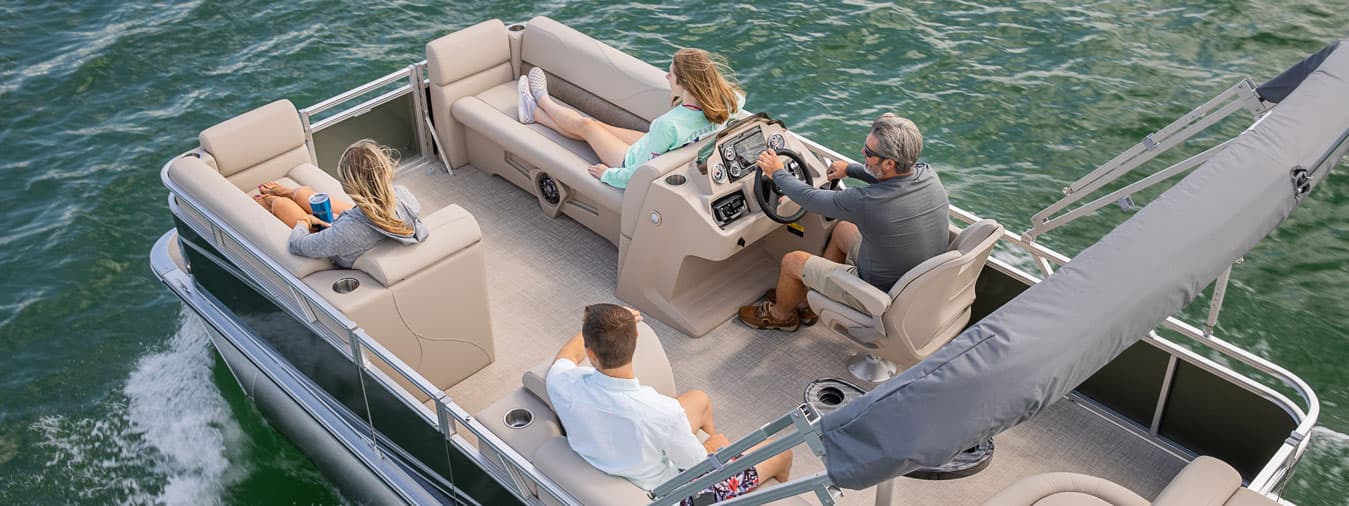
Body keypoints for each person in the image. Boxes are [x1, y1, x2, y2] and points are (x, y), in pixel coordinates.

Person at [546, 303, 793, 503]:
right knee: (782, 452)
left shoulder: (563, 383)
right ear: (637, 338)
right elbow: (698, 467)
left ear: (591, 353)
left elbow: (568, 354)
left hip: (614, 456)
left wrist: (601, 327)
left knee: (699, 399)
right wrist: (712, 448)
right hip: (673, 493)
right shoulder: (662, 413)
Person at [738, 114, 950, 331]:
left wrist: (777, 173)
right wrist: (850, 169)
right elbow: (893, 181)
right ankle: (809, 303)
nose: (862, 152)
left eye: (868, 152)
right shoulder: (928, 175)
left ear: (889, 163)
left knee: (793, 261)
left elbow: (809, 198)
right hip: (916, 284)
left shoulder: (866, 202)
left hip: (878, 295)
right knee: (843, 230)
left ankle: (781, 316)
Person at [517, 48, 745, 189]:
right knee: (598, 126)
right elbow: (734, 97)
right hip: (660, 148)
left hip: (629, 160)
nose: (667, 76)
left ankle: (542, 102)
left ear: (685, 84)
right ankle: (533, 114)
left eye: (671, 74)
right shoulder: (728, 104)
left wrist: (609, 175)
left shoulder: (667, 125)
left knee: (587, 126)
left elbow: (638, 173)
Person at [252, 139, 428, 268]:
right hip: (364, 223)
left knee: (281, 204)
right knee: (303, 195)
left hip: (345, 239)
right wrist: (342, 223)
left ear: (348, 187)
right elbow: (364, 226)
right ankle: (293, 193)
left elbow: (297, 245)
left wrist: (305, 222)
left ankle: (275, 200)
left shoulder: (343, 233)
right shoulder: (404, 197)